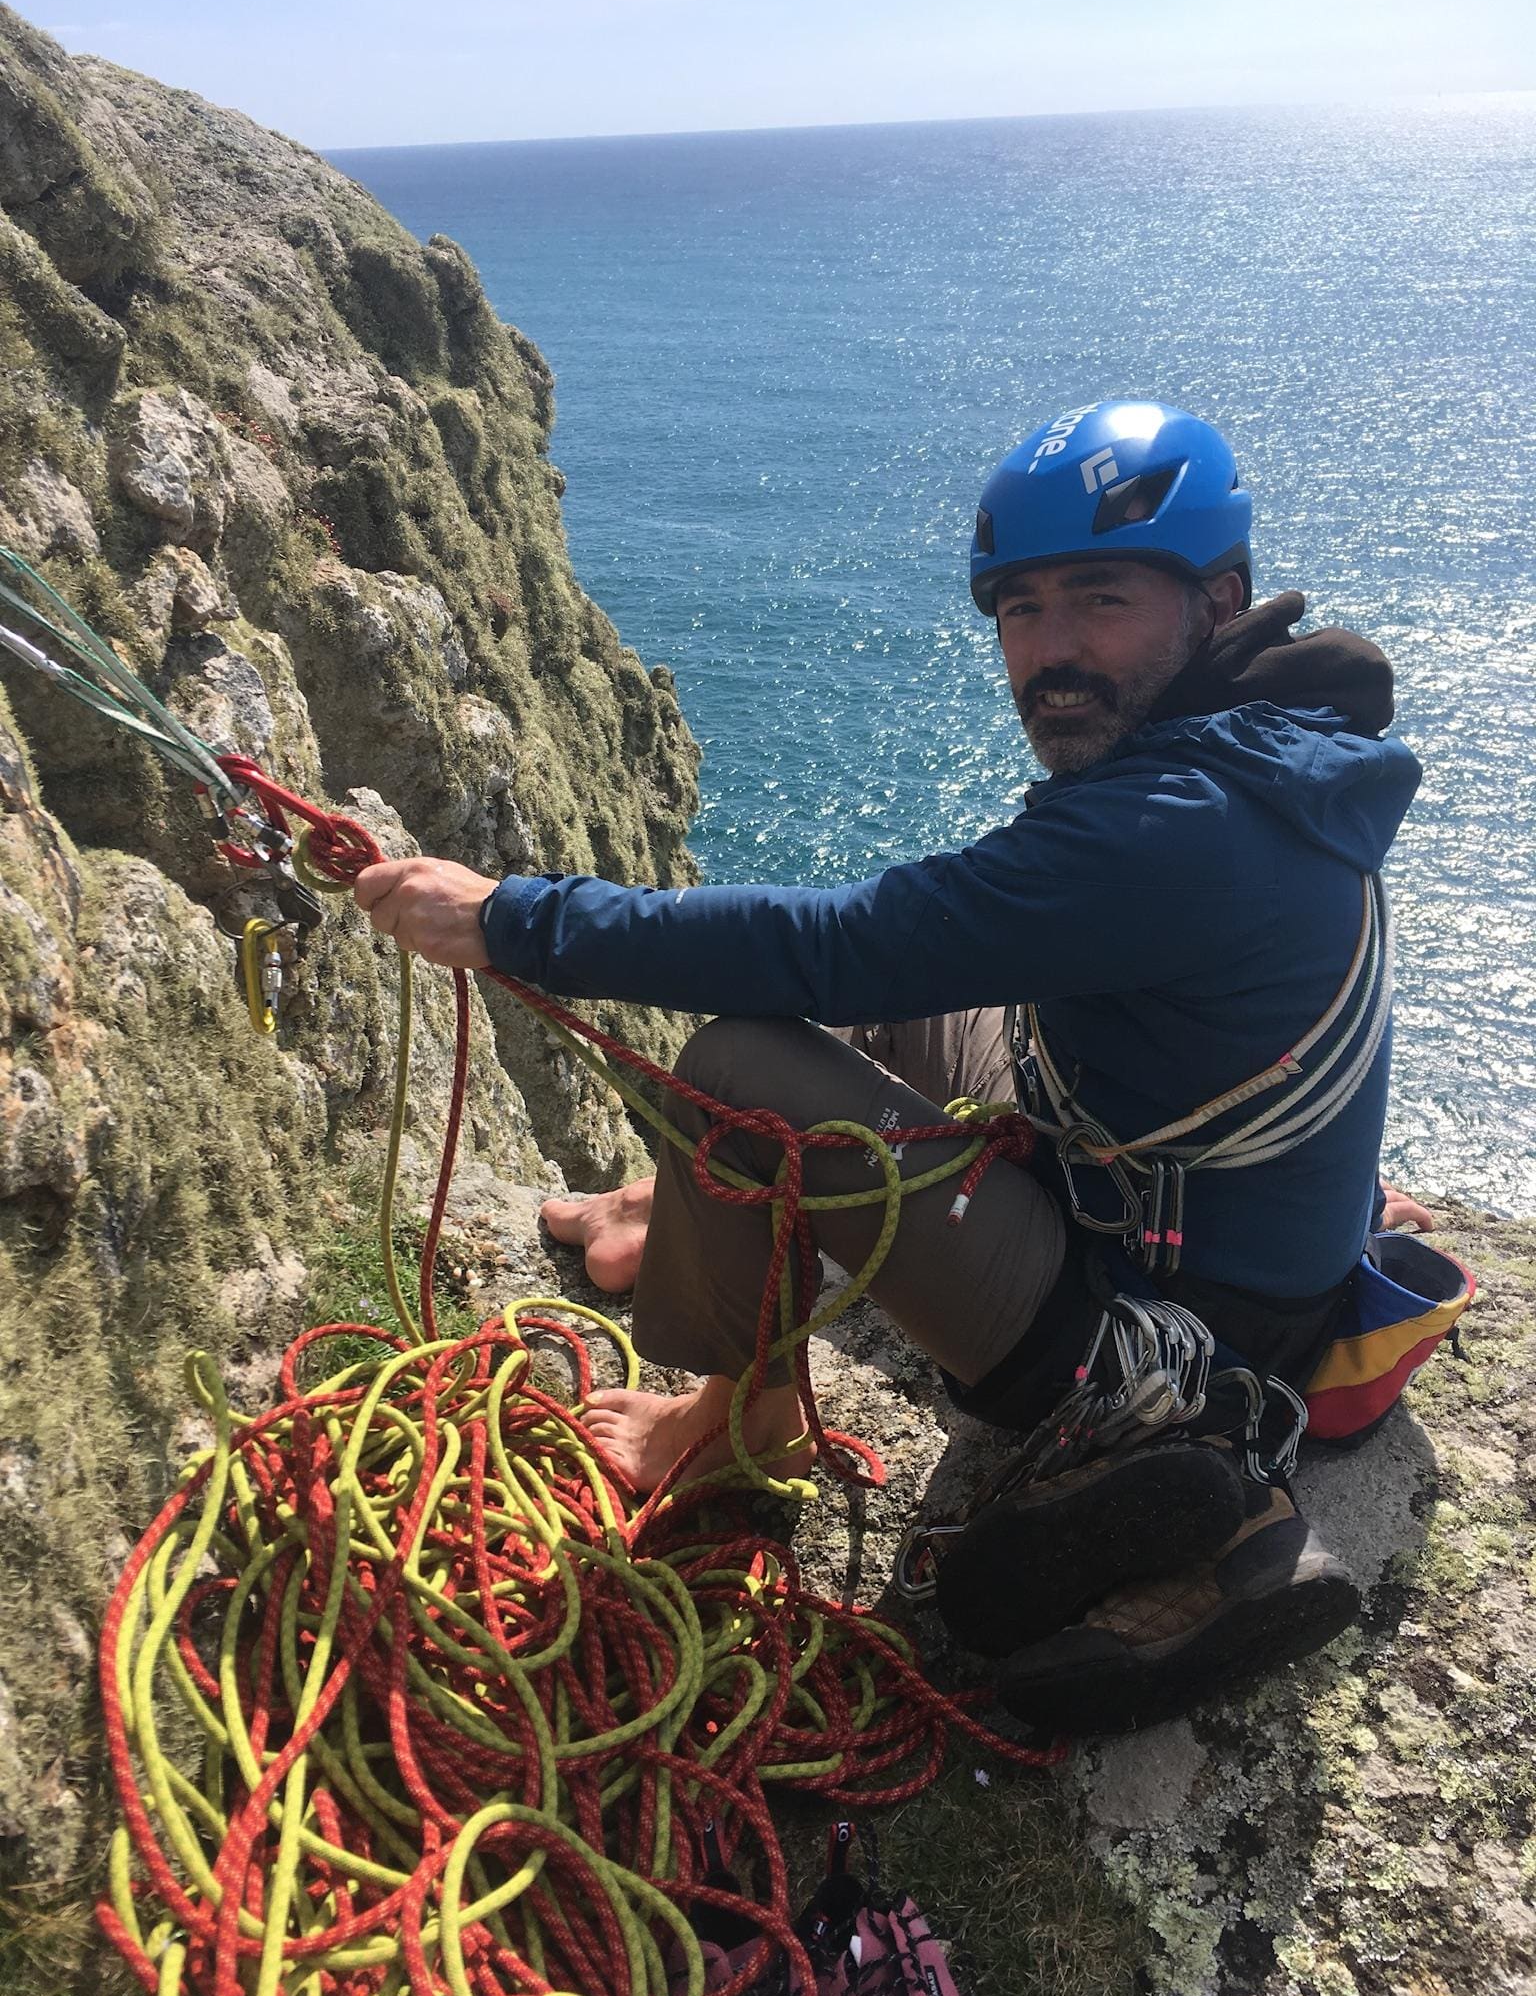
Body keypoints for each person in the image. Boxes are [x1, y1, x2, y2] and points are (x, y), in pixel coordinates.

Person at [355, 400, 1434, 1731]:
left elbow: (842, 944)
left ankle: (745, 1427)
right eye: (1023, 611)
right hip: (1212, 1211)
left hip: (1152, 1315)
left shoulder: (1170, 828)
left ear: (1216, 603)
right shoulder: (1278, 747)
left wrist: (515, 917)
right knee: (921, 986)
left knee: (744, 1056)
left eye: (1100, 600)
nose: (1052, 653)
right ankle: (681, 1218)